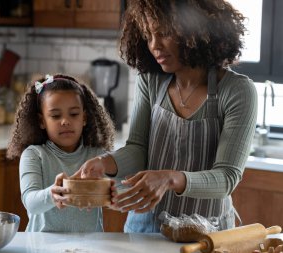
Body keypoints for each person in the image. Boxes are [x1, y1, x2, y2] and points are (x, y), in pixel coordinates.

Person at [75, 0, 258, 233]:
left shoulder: (236, 91)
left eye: (164, 33)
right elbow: (138, 148)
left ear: (195, 30)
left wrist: (169, 178)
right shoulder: (150, 79)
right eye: (148, 35)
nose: (154, 45)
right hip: (146, 227)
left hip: (205, 232)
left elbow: (227, 177)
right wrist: (104, 163)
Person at [6, 74, 115, 232]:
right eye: (56, 116)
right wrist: (52, 194)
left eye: (74, 114)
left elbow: (119, 191)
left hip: (90, 246)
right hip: (42, 246)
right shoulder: (34, 155)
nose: (65, 121)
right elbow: (30, 202)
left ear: (84, 118)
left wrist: (112, 193)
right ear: (42, 121)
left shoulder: (98, 157)